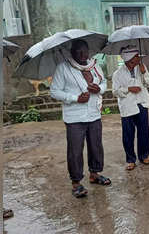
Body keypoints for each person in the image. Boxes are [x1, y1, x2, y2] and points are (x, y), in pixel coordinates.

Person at [50, 39, 111, 198]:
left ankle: (95, 174)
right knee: (75, 150)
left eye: (86, 51)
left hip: (94, 113)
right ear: (72, 52)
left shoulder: (94, 66)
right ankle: (76, 182)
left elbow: (104, 82)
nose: (84, 55)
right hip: (74, 117)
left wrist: (99, 88)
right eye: (79, 52)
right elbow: (54, 92)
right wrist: (75, 98)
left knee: (96, 146)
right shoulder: (63, 68)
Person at [112, 46, 149, 171]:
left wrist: (144, 72)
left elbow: (148, 83)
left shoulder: (142, 68)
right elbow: (115, 91)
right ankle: (130, 160)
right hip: (128, 106)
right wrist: (129, 89)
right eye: (136, 56)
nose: (138, 58)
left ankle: (144, 155)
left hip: (141, 103)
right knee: (128, 135)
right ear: (129, 58)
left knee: (144, 132)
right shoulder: (117, 73)